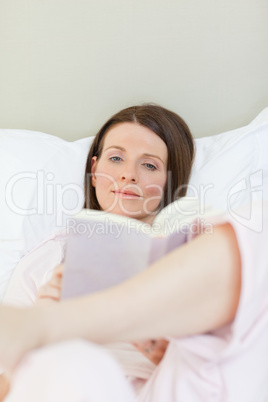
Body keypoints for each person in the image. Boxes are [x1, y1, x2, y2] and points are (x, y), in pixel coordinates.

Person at [0, 105, 267, 401]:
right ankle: (54, 327)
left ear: (168, 182)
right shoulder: (51, 255)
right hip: (74, 382)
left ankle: (57, 325)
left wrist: (173, 344)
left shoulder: (198, 237)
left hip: (170, 383)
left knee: (262, 225)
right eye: (116, 158)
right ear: (94, 171)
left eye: (149, 165)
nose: (128, 175)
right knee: (79, 362)